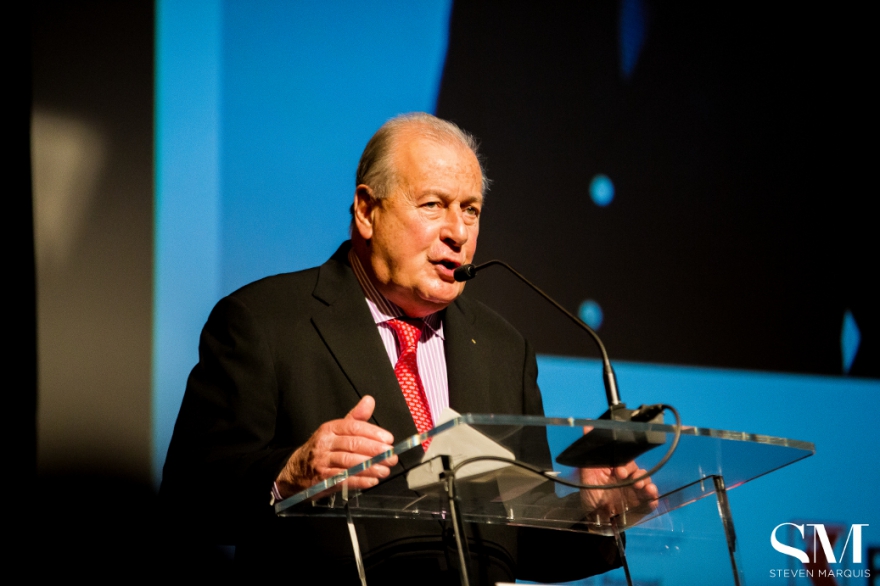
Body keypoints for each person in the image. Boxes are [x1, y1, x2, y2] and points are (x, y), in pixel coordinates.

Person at [159, 113, 656, 583]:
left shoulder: (504, 348)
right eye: (433, 204)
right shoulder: (265, 322)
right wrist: (290, 474)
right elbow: (186, 500)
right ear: (366, 210)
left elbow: (517, 539)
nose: (458, 232)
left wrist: (591, 513)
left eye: (470, 210)